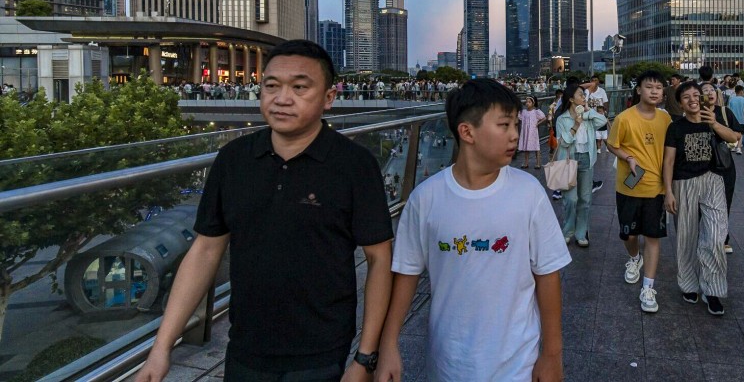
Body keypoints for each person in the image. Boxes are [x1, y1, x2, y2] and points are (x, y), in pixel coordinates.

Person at [135, 40, 394, 382]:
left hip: (322, 351)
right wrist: (161, 348)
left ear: (328, 98)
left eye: (300, 87)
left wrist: (365, 357)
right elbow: (204, 251)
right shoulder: (234, 160)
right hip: (246, 346)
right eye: (271, 86)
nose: (282, 98)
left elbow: (379, 259)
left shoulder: (354, 165)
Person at [377, 79, 570, 381]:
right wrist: (388, 344)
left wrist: (552, 354)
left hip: (517, 363)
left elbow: (547, 274)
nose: (515, 135)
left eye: (516, 125)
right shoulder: (426, 198)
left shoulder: (528, 193)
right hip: (448, 363)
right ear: (467, 132)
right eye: (504, 125)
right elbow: (407, 274)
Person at [663, 81, 742, 316]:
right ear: (680, 103)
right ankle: (688, 283)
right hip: (683, 183)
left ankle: (713, 289)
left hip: (713, 180)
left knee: (716, 236)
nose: (692, 100)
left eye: (695, 95)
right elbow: (668, 161)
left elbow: (734, 138)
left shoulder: (712, 120)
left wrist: (714, 123)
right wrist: (668, 191)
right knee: (686, 236)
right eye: (686, 97)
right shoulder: (675, 128)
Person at [606, 70, 673, 313]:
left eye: (658, 87)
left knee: (653, 237)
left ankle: (648, 287)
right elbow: (612, 144)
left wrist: (669, 187)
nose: (654, 91)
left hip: (656, 189)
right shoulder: (624, 118)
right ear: (638, 90)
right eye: (649, 87)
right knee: (629, 236)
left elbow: (669, 153)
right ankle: (634, 259)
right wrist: (628, 157)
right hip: (628, 187)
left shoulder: (665, 120)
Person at [555, 80, 608, 247]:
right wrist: (576, 125)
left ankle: (580, 232)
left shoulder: (588, 116)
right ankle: (568, 230)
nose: (584, 98)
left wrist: (587, 111)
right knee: (570, 199)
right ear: (571, 99)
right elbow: (564, 142)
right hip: (569, 159)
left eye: (584, 95)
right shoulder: (562, 119)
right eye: (580, 95)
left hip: (587, 158)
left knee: (585, 199)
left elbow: (603, 121)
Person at [700, 82, 739, 254]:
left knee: (724, 201)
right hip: (700, 166)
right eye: (704, 90)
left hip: (723, 164)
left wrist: (717, 125)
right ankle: (704, 236)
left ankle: (723, 238)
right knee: (700, 204)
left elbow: (737, 135)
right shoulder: (693, 114)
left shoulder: (725, 112)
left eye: (712, 90)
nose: (709, 93)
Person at [517, 95, 547, 170]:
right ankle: (526, 162)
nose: (527, 103)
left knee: (536, 146)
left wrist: (537, 123)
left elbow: (544, 118)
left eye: (529, 102)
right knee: (526, 146)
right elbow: (518, 117)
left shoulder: (536, 112)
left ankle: (538, 163)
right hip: (526, 131)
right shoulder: (523, 112)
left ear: (533, 103)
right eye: (526, 102)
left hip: (533, 131)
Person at [728, 84, 744, 154]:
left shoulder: (731, 99)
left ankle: (733, 146)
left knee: (733, 133)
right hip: (741, 120)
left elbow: (729, 109)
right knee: (741, 134)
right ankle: (739, 148)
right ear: (741, 91)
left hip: (733, 120)